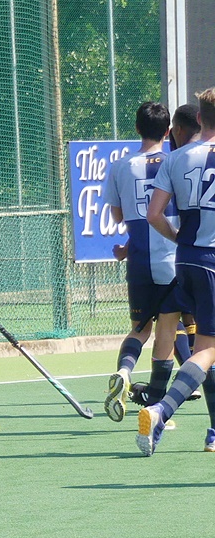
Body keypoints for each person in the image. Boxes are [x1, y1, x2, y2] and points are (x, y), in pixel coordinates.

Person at [139, 87, 215, 456]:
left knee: (207, 346)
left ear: (199, 118)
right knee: (207, 349)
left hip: (185, 259)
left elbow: (153, 215)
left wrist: (179, 239)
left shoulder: (177, 158)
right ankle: (160, 409)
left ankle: (214, 432)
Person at [102, 102, 183, 423]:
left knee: (139, 327)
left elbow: (118, 216)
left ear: (136, 129)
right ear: (168, 131)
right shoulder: (177, 162)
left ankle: (124, 371)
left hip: (139, 260)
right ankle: (156, 407)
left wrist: (126, 247)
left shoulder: (121, 167)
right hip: (174, 259)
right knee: (167, 330)